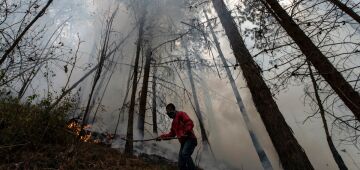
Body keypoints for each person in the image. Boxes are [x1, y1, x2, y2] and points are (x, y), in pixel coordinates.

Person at [157, 103, 197, 170]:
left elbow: (189, 122)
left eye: (169, 112)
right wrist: (161, 137)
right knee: (181, 164)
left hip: (190, 139)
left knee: (185, 154)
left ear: (173, 110)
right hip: (183, 143)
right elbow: (171, 134)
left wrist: (185, 132)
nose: (169, 114)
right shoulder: (174, 123)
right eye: (167, 113)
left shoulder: (181, 114)